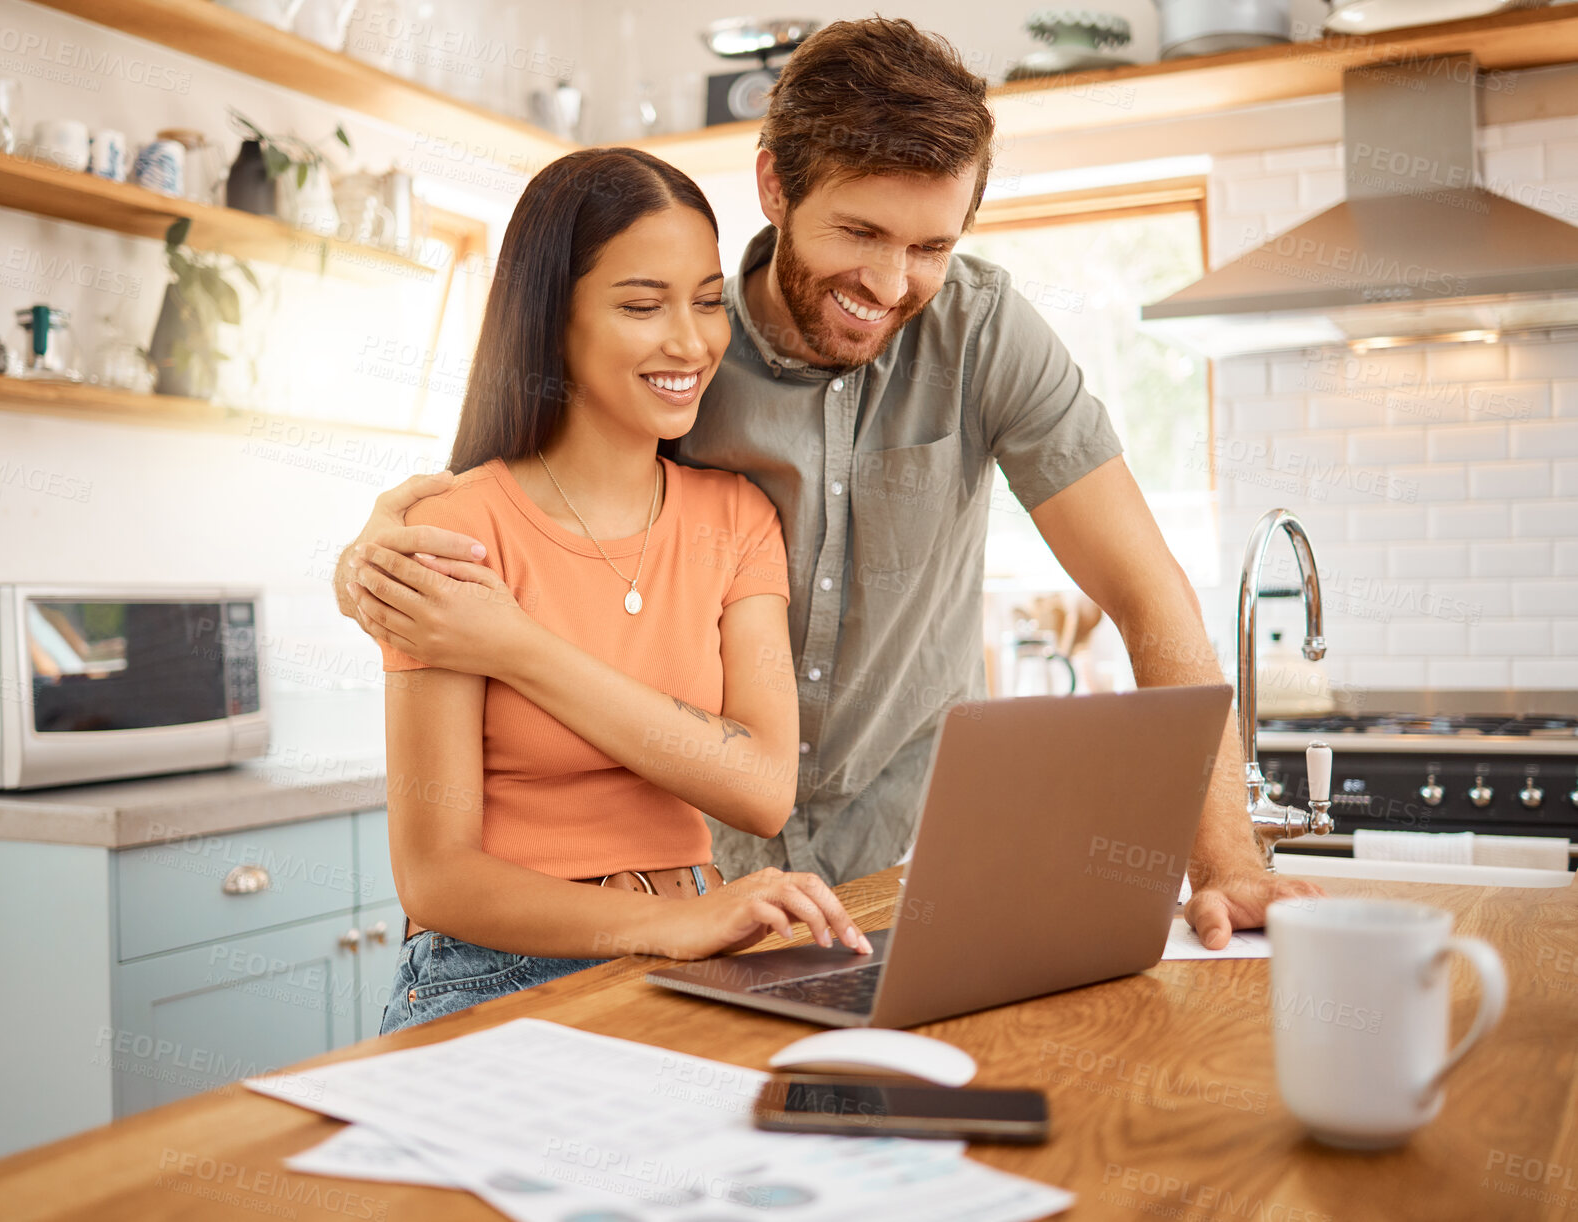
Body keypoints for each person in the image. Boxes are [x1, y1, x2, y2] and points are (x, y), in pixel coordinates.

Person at [337, 18, 1320, 952]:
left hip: (917, 852)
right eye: (861, 232)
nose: (892, 283)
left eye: (931, 247)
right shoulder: (683, 357)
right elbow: (541, 500)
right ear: (774, 185)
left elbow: (1146, 593)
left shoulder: (983, 335)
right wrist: (378, 554)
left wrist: (1224, 861)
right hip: (719, 886)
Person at [349, 147, 871, 1034]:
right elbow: (435, 876)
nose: (690, 341)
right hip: (494, 974)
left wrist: (514, 645)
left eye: (707, 301)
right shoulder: (453, 529)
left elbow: (759, 785)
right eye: (641, 305)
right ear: (553, 319)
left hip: (699, 947)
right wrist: (667, 924)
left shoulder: (736, 519)